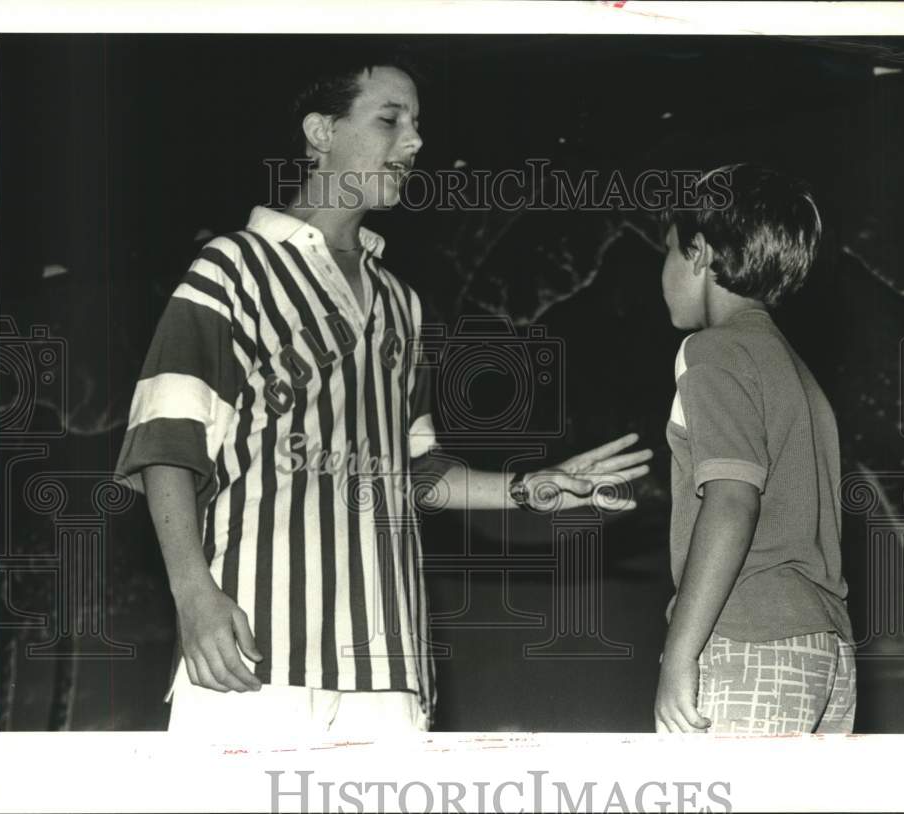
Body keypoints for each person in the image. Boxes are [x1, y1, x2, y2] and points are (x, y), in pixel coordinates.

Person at [115, 49, 652, 737]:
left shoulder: (401, 303)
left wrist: (530, 488)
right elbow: (168, 440)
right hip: (254, 655)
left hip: (387, 671)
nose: (416, 142)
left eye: (418, 124)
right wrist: (194, 597)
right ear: (321, 133)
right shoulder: (230, 271)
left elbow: (418, 473)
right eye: (390, 119)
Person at [654, 164, 855, 735]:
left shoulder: (711, 350)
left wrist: (678, 653)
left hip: (749, 637)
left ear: (698, 253)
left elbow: (732, 503)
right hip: (827, 652)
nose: (663, 271)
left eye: (668, 251)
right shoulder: (795, 369)